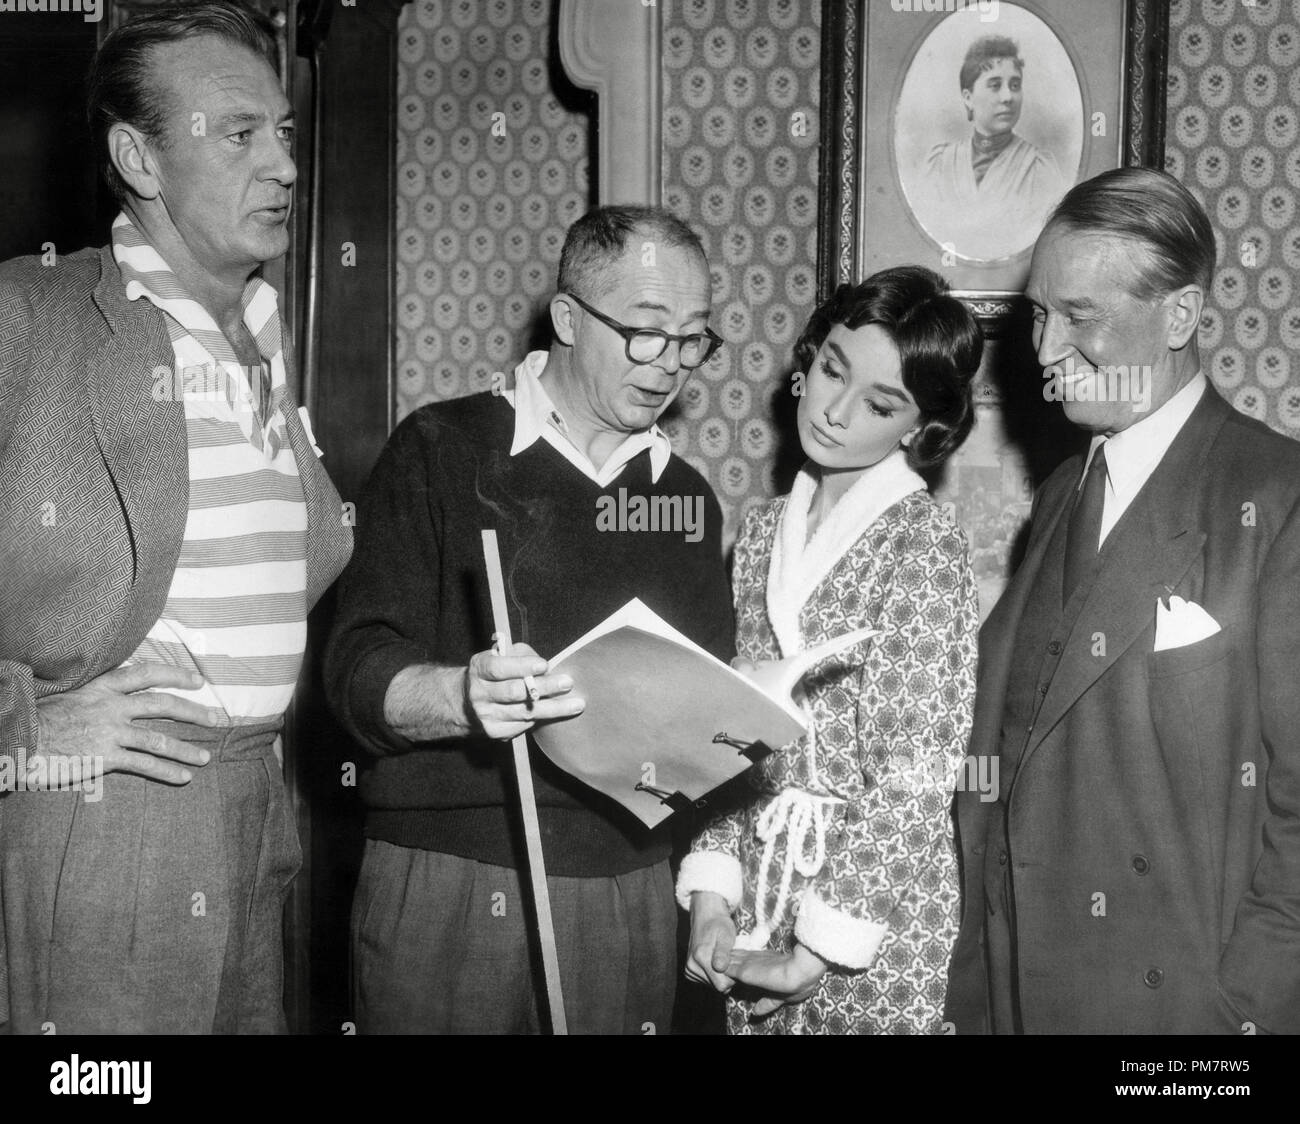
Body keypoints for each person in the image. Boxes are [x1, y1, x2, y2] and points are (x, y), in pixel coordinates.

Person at [0, 1, 352, 1033]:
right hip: (111, 817)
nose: (284, 164)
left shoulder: (258, 329)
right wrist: (23, 730)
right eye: (239, 133)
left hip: (254, 808)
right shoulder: (32, 316)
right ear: (139, 160)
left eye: (282, 131)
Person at [324, 204, 734, 1034]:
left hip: (625, 890)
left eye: (693, 340)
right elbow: (353, 667)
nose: (672, 368)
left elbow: (704, 732)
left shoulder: (686, 501)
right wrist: (458, 696)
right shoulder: (439, 448)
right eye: (647, 332)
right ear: (569, 319)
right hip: (452, 878)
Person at [944, 166, 1300, 1035]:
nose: (1042, 348)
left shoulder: (1278, 497)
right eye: (1039, 314)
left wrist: (1242, 1016)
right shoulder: (1067, 487)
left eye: (1081, 316)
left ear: (1178, 315)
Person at [678, 266, 983, 1033]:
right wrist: (713, 899)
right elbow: (734, 741)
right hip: (760, 899)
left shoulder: (924, 542)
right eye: (832, 371)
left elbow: (916, 777)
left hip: (874, 923)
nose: (836, 411)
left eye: (880, 404)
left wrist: (816, 952)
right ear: (808, 360)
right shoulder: (760, 534)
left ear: (920, 428)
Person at [917, 35, 1068, 261]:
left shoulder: (1040, 168)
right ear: (968, 98)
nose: (1008, 96)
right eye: (995, 85)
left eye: (1015, 85)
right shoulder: (938, 163)